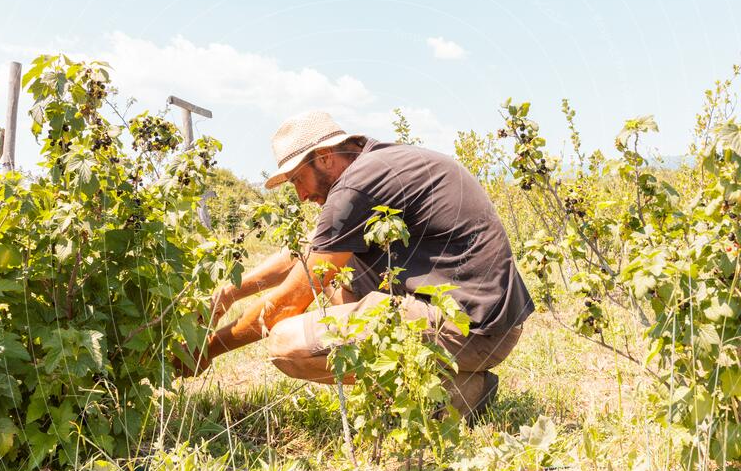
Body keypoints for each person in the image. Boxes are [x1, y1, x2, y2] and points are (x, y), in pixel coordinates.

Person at [177, 111, 535, 418]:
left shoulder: (356, 187)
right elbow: (305, 253)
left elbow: (288, 302)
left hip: (471, 330)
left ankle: (447, 396)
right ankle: (455, 383)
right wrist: (228, 293)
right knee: (337, 276)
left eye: (298, 179)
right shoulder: (378, 166)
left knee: (285, 344)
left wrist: (207, 350)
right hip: (485, 321)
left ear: (326, 157)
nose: (301, 195)